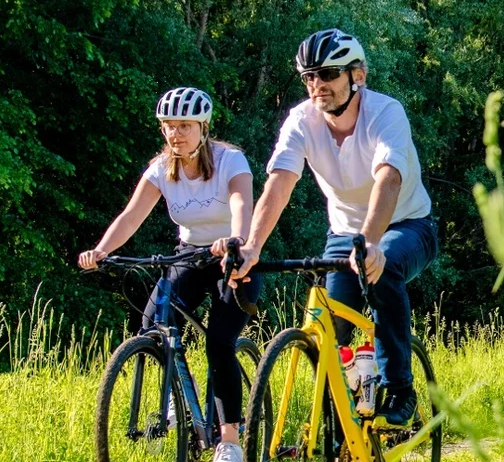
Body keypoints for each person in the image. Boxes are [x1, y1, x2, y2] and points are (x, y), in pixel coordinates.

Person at [232, 28, 438, 430]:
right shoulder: (301, 120)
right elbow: (279, 182)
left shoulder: (386, 112)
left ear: (356, 75)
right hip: (343, 232)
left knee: (382, 269)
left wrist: (372, 244)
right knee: (332, 328)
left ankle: (401, 391)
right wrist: (252, 245)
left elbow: (389, 179)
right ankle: (341, 418)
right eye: (308, 76)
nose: (317, 85)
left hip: (408, 224)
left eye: (327, 74)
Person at [78, 87, 257, 462]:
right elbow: (131, 215)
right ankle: (180, 398)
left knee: (219, 342)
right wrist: (103, 250)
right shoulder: (161, 169)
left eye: (184, 126)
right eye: (169, 126)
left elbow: (242, 202)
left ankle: (229, 442)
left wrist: (236, 240)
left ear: (203, 128)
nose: (176, 133)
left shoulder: (230, 160)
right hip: (189, 256)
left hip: (234, 257)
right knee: (152, 326)